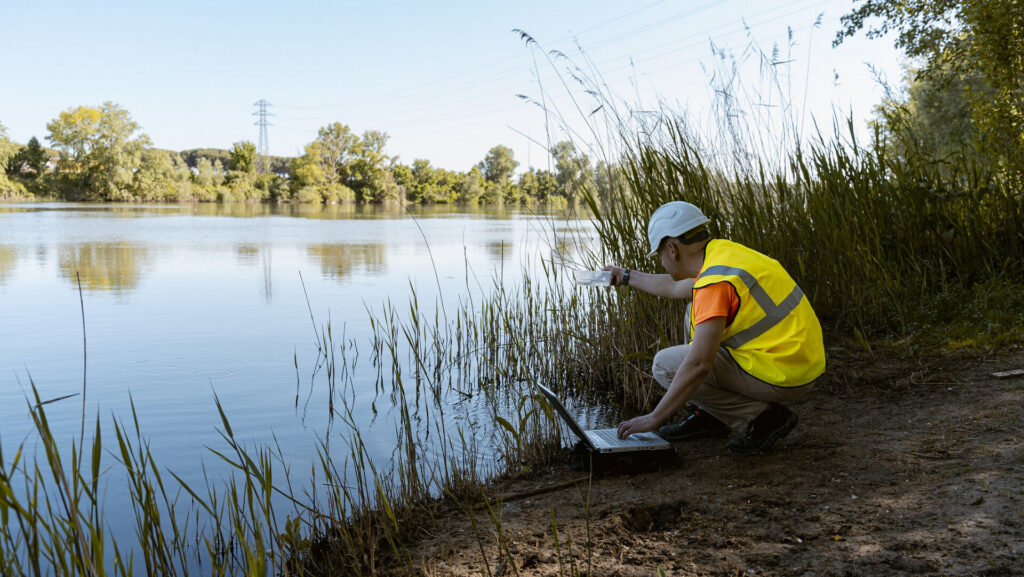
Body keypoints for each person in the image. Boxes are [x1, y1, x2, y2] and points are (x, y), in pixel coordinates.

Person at [605, 201, 826, 452]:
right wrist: (626, 276)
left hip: (783, 374)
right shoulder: (722, 255)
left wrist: (654, 417)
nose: (662, 262)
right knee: (693, 308)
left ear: (672, 249)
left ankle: (762, 418)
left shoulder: (714, 284)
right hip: (799, 359)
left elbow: (699, 364)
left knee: (665, 366)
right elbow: (674, 286)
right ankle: (711, 415)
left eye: (660, 255)